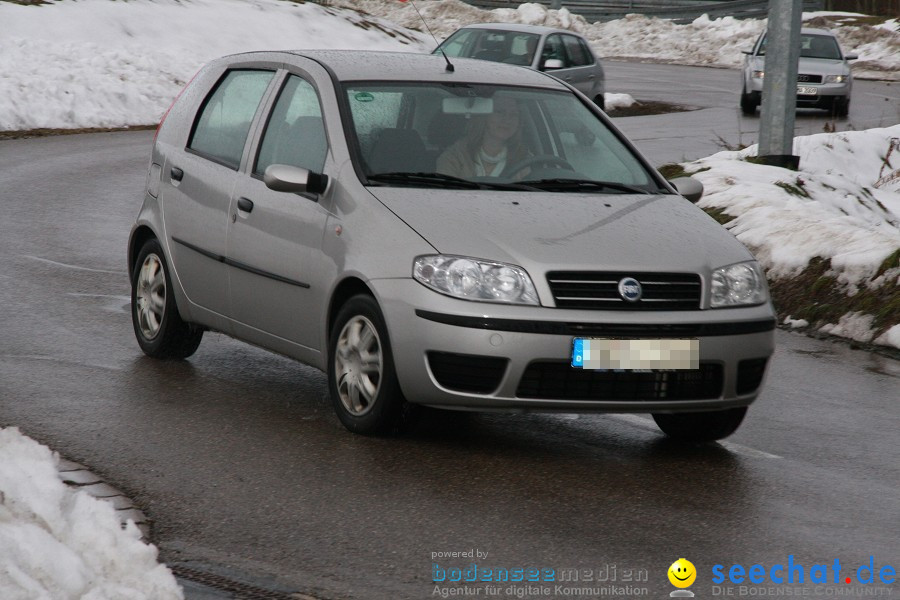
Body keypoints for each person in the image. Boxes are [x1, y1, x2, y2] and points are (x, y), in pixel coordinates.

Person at [436, 95, 530, 179]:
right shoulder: (454, 157)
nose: (507, 119)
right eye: (499, 112)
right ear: (483, 116)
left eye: (514, 114)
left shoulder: (525, 160)